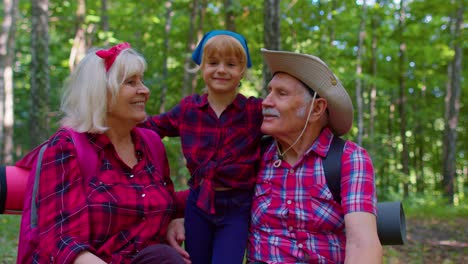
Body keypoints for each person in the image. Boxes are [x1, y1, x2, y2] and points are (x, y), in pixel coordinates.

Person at [17, 43, 190, 264]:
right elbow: (61, 239)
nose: (144, 90)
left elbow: (162, 199)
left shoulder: (152, 144)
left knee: (165, 257)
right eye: (131, 82)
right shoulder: (66, 146)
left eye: (142, 80)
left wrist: (177, 215)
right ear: (101, 92)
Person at [247, 48, 383, 263]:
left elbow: (362, 243)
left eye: (281, 94)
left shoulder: (349, 159)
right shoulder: (254, 153)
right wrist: (181, 217)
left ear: (317, 108)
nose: (266, 101)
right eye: (269, 91)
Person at [142, 30, 263, 264]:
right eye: (213, 63)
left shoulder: (253, 111)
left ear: (242, 72)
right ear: (201, 67)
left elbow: (287, 123)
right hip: (198, 204)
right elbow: (152, 127)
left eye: (230, 64)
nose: (221, 70)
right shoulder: (189, 109)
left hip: (236, 207)